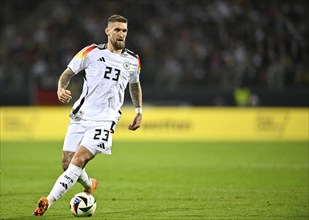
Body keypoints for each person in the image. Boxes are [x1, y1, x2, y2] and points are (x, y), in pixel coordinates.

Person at [33, 14, 143, 216]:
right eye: (117, 29)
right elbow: (67, 73)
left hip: (105, 119)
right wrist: (60, 89)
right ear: (107, 31)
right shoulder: (90, 52)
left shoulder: (133, 60)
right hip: (81, 115)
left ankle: (47, 200)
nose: (121, 34)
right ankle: (89, 184)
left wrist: (138, 111)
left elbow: (135, 86)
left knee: (80, 158)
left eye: (124, 30)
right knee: (67, 162)